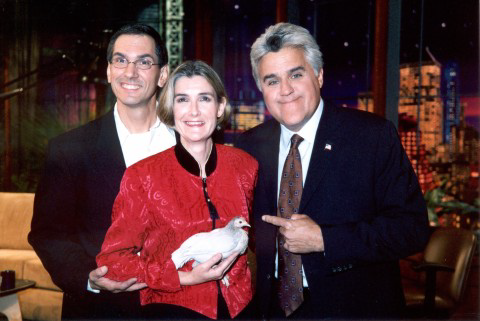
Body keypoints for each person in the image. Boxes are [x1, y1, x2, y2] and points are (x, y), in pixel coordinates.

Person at [236, 22, 430, 319]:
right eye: (272, 80)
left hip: (354, 309)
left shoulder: (371, 136)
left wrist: (325, 239)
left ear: (319, 75)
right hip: (273, 309)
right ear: (262, 88)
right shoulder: (250, 146)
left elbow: (411, 230)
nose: (285, 90)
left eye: (296, 75)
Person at [28, 23, 176, 319]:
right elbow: (48, 235)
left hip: (177, 308)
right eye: (121, 60)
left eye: (143, 62)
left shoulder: (190, 146)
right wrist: (88, 277)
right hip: (100, 309)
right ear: (109, 71)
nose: (130, 72)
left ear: (162, 74)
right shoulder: (68, 149)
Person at [96, 60, 258, 320]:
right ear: (171, 108)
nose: (193, 111)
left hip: (242, 309)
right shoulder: (142, 176)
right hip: (173, 310)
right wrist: (184, 277)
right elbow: (113, 260)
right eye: (182, 100)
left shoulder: (245, 166)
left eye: (204, 99)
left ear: (220, 107)